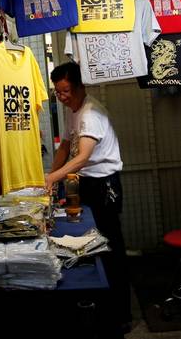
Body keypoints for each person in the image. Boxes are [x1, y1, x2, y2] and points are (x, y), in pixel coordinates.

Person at [45, 62, 131, 331]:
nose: (62, 97)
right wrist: (49, 174)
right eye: (58, 92)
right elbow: (65, 147)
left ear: (81, 86)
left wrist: (52, 178)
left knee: (109, 247)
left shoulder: (90, 113)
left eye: (66, 91)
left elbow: (82, 157)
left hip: (104, 185)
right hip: (83, 183)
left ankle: (120, 315)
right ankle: (96, 304)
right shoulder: (74, 111)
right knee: (85, 244)